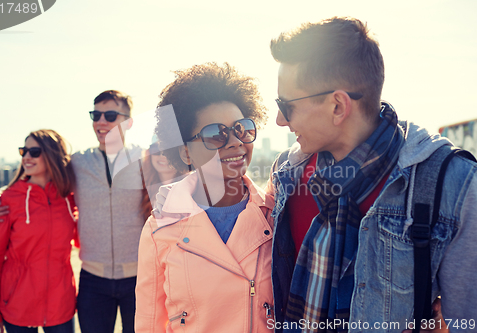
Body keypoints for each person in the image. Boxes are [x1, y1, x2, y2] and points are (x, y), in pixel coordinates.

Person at [267, 17, 477, 332]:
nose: (279, 120)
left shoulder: (453, 184)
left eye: (287, 105)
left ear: (338, 106)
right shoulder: (287, 174)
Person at [0, 90, 147, 333]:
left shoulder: (146, 160)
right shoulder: (78, 163)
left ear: (128, 122)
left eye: (110, 115)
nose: (101, 121)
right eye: (96, 114)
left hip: (140, 277)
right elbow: (42, 174)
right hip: (93, 281)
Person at [135, 62, 275, 333]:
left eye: (241, 128)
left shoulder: (274, 214)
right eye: (215, 134)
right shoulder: (159, 229)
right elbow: (149, 324)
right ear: (186, 152)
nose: (235, 142)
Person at [0, 129, 77, 333]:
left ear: (52, 155)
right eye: (24, 151)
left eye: (34, 151)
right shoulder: (8, 200)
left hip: (61, 306)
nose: (27, 157)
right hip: (17, 306)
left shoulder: (69, 197)